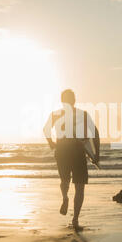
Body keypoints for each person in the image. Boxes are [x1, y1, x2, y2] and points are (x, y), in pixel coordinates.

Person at [43, 89, 99, 230]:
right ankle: (75, 219)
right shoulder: (82, 114)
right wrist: (96, 154)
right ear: (74, 100)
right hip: (77, 152)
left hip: (62, 151)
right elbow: (95, 133)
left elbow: (46, 129)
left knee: (65, 181)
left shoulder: (56, 114)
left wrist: (51, 143)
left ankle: (65, 198)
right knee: (79, 187)